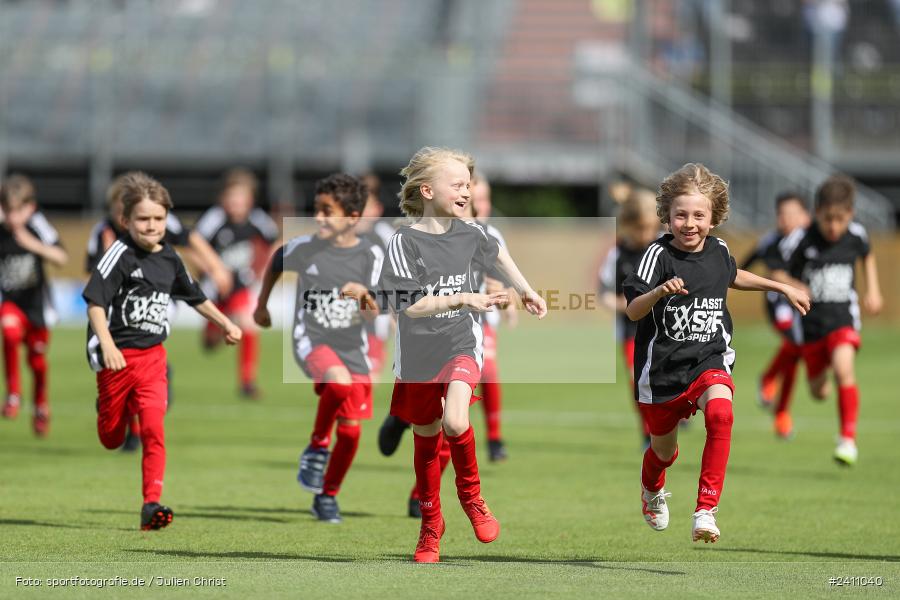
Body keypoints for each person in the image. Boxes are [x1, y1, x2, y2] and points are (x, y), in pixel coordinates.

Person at [623, 163, 809, 543]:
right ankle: (652, 490)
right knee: (663, 451)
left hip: (709, 359)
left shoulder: (719, 249)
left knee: (721, 414)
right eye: (680, 215)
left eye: (698, 215)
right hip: (662, 371)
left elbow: (733, 275)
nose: (689, 223)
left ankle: (705, 510)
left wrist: (780, 287)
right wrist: (659, 291)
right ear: (667, 215)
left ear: (714, 216)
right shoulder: (656, 256)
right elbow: (633, 309)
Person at [379, 147, 547, 563]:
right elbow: (409, 305)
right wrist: (463, 296)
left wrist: (526, 290)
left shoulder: (473, 231)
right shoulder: (403, 241)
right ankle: (431, 526)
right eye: (457, 184)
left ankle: (472, 498)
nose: (465, 190)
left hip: (460, 342)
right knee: (425, 438)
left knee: (456, 419)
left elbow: (498, 254)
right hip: (418, 356)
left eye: (468, 184)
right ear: (427, 190)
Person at [83, 172, 241, 530]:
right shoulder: (118, 255)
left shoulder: (170, 258)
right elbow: (94, 302)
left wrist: (225, 323)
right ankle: (109, 411)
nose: (152, 225)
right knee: (111, 439)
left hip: (154, 359)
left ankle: (151, 504)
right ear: (126, 220)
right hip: (118, 358)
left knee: (154, 429)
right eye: (143, 219)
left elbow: (195, 296)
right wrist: (107, 345)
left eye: (158, 218)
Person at [253, 174, 382, 524]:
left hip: (354, 346)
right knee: (338, 383)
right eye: (317, 210)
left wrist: (366, 296)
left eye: (329, 211)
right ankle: (316, 445)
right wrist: (261, 305)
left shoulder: (372, 254)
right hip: (312, 340)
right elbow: (276, 261)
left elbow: (378, 310)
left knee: (352, 431)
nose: (320, 218)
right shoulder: (304, 249)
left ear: (353, 218)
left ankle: (327, 495)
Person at [772, 175, 882, 466]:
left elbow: (867, 256)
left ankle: (847, 439)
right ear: (816, 213)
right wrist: (794, 284)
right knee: (819, 392)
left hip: (843, 318)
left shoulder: (856, 235)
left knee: (845, 368)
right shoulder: (802, 239)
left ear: (851, 215)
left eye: (840, 219)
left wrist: (873, 289)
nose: (834, 226)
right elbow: (778, 273)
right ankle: (831, 381)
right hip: (811, 326)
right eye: (827, 219)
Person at [195, 169, 279, 399]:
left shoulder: (257, 218)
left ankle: (247, 382)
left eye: (241, 199)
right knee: (212, 341)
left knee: (246, 321)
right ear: (223, 199)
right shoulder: (214, 219)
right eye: (231, 199)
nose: (236, 204)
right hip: (214, 286)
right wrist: (212, 270)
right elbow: (193, 247)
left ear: (250, 200)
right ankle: (212, 331)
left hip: (241, 282)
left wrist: (266, 269)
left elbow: (277, 241)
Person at [0, 175, 69, 436]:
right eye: (7, 210)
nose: (12, 217)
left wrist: (33, 245)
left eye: (18, 210)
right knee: (8, 331)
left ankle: (41, 406)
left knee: (37, 361)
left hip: (37, 306)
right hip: (11, 303)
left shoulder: (38, 226)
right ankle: (13, 394)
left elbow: (61, 257)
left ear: (30, 208)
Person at [741, 192, 810, 439]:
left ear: (806, 216)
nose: (786, 219)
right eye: (781, 214)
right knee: (795, 344)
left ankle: (781, 410)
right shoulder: (772, 242)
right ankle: (771, 383)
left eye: (792, 214)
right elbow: (752, 267)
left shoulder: (813, 239)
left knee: (795, 354)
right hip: (779, 302)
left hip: (804, 305)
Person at [599, 187, 660, 449]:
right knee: (638, 381)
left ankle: (675, 411)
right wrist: (622, 304)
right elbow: (604, 293)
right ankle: (647, 433)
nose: (646, 234)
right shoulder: (618, 254)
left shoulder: (663, 249)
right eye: (640, 228)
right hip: (631, 330)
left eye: (650, 228)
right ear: (628, 226)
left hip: (665, 329)